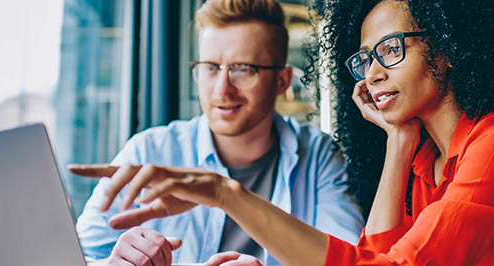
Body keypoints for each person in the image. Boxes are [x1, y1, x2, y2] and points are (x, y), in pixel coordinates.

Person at [72, 0, 494, 265]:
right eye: (366, 58)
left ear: (450, 46)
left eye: (391, 50)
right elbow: (378, 255)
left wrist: (225, 195)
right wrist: (398, 140)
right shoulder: (425, 160)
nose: (372, 74)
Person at [71, 0, 364, 265]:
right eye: (211, 68)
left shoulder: (318, 156)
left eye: (243, 69)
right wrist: (114, 263)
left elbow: (349, 259)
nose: (222, 89)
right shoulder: (149, 151)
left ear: (282, 81)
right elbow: (74, 257)